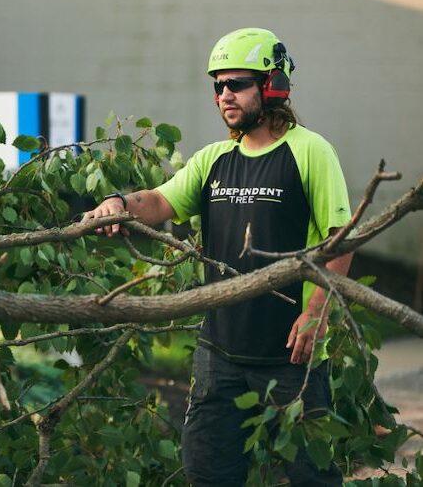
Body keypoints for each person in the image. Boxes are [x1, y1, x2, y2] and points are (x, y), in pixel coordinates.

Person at [81, 28, 353, 486]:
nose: (224, 95)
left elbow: (339, 236)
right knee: (207, 474)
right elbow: (160, 200)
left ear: (272, 86)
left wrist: (316, 312)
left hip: (292, 354)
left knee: (313, 477)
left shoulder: (310, 151)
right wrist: (118, 203)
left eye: (236, 84)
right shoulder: (214, 160)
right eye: (217, 85)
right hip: (220, 352)